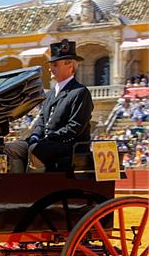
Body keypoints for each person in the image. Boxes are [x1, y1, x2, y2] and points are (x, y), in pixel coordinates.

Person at [5, 39, 93, 171]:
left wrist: (48, 138)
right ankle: (18, 183)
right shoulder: (51, 93)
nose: (50, 68)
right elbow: (41, 120)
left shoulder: (80, 92)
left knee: (36, 149)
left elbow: (75, 127)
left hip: (68, 145)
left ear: (69, 66)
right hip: (47, 142)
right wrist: (35, 135)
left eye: (55, 64)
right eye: (51, 64)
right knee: (11, 148)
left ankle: (35, 186)